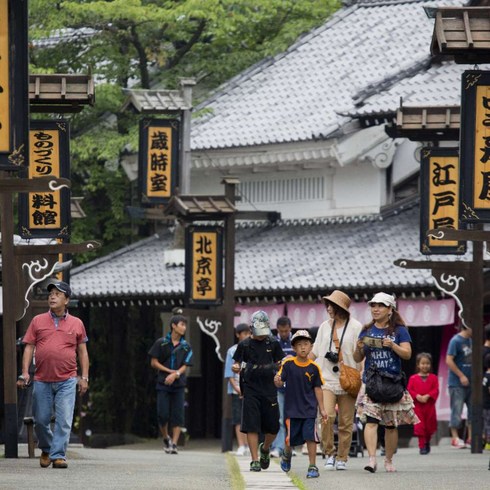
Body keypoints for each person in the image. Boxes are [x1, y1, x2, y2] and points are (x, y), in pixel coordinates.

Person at [18, 281, 89, 469]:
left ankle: (58, 455)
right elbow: (29, 347)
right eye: (51, 294)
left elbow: (83, 352)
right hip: (42, 379)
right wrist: (25, 372)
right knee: (41, 420)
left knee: (64, 420)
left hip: (67, 379)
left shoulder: (77, 323)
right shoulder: (37, 321)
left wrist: (84, 377)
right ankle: (47, 448)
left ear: (66, 300)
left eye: (57, 294)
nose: (52, 296)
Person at [354, 292, 418, 473]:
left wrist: (393, 346)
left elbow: (407, 354)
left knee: (390, 424)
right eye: (373, 305)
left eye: (380, 305)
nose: (375, 309)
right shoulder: (366, 330)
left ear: (390, 309)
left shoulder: (399, 330)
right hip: (372, 383)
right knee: (371, 421)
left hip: (391, 382)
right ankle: (372, 459)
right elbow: (357, 356)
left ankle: (388, 460)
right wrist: (358, 348)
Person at [309, 290, 362, 471]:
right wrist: (298, 363)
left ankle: (342, 457)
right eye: (327, 304)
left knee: (346, 422)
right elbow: (315, 351)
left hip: (348, 379)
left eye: (331, 305)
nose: (328, 308)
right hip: (327, 378)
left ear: (340, 307)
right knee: (326, 416)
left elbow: (360, 355)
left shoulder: (356, 327)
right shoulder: (325, 326)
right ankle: (329, 453)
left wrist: (360, 375)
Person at [232, 310, 285, 472]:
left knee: (273, 427)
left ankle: (265, 448)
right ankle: (254, 460)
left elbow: (280, 363)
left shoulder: (273, 343)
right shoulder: (244, 345)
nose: (261, 335)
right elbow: (236, 363)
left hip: (269, 389)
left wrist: (279, 374)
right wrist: (235, 367)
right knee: (252, 425)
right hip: (250, 389)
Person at [274, 330, 328, 479]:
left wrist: (322, 409)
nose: (303, 347)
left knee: (311, 437)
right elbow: (280, 379)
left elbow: (318, 388)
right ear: (294, 348)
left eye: (306, 344)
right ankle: (286, 454)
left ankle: (312, 466)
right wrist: (277, 380)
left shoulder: (314, 367)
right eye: (299, 345)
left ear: (311, 346)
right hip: (292, 409)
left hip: (310, 409)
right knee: (290, 439)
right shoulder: (288, 364)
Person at [148, 314, 193, 455]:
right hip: (163, 383)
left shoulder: (186, 346)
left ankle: (174, 444)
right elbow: (153, 362)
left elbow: (186, 365)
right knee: (162, 414)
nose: (184, 328)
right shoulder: (161, 343)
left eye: (185, 325)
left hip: (179, 384)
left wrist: (176, 374)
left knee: (178, 415)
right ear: (173, 325)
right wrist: (169, 372)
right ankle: (166, 437)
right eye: (182, 324)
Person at [224, 323, 251, 456]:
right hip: (236, 389)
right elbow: (229, 373)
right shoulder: (232, 350)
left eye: (248, 333)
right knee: (237, 418)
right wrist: (237, 388)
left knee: (249, 418)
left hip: (251, 389)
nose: (247, 336)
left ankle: (249, 445)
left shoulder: (253, 348)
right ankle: (241, 445)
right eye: (244, 333)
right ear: (238, 335)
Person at [270, 316, 295, 458]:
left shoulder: (296, 341)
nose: (284, 333)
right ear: (277, 329)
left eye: (286, 331)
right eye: (281, 331)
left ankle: (290, 445)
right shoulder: (273, 342)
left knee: (293, 417)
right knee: (279, 418)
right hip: (278, 385)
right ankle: (278, 447)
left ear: (290, 328)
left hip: (294, 386)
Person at [446, 323, 472, 449]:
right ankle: (455, 437)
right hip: (456, 382)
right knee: (457, 409)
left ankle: (471, 437)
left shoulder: (472, 341)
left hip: (472, 382)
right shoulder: (455, 340)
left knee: (474, 410)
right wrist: (461, 375)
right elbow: (449, 360)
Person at [407, 353, 439, 455]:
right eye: (423, 363)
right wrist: (417, 396)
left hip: (429, 406)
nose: (425, 365)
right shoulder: (413, 378)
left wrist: (428, 396)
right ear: (418, 365)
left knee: (429, 427)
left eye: (427, 363)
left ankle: (427, 442)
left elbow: (436, 390)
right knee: (420, 426)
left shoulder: (434, 378)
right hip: (418, 406)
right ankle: (421, 446)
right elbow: (409, 390)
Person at [483, 353, 490, 451]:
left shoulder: (485, 375)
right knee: (489, 424)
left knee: (486, 424)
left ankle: (486, 441)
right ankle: (488, 443)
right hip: (489, 404)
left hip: (484, 403)